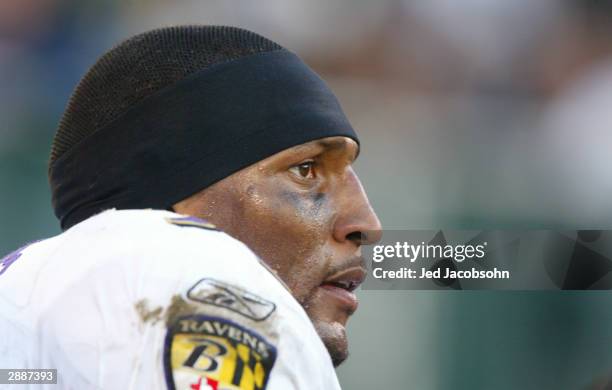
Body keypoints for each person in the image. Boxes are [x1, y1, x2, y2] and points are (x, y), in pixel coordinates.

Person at [0, 25, 381, 389]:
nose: (367, 224)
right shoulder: (176, 264)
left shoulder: (44, 296)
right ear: (175, 200)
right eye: (305, 170)